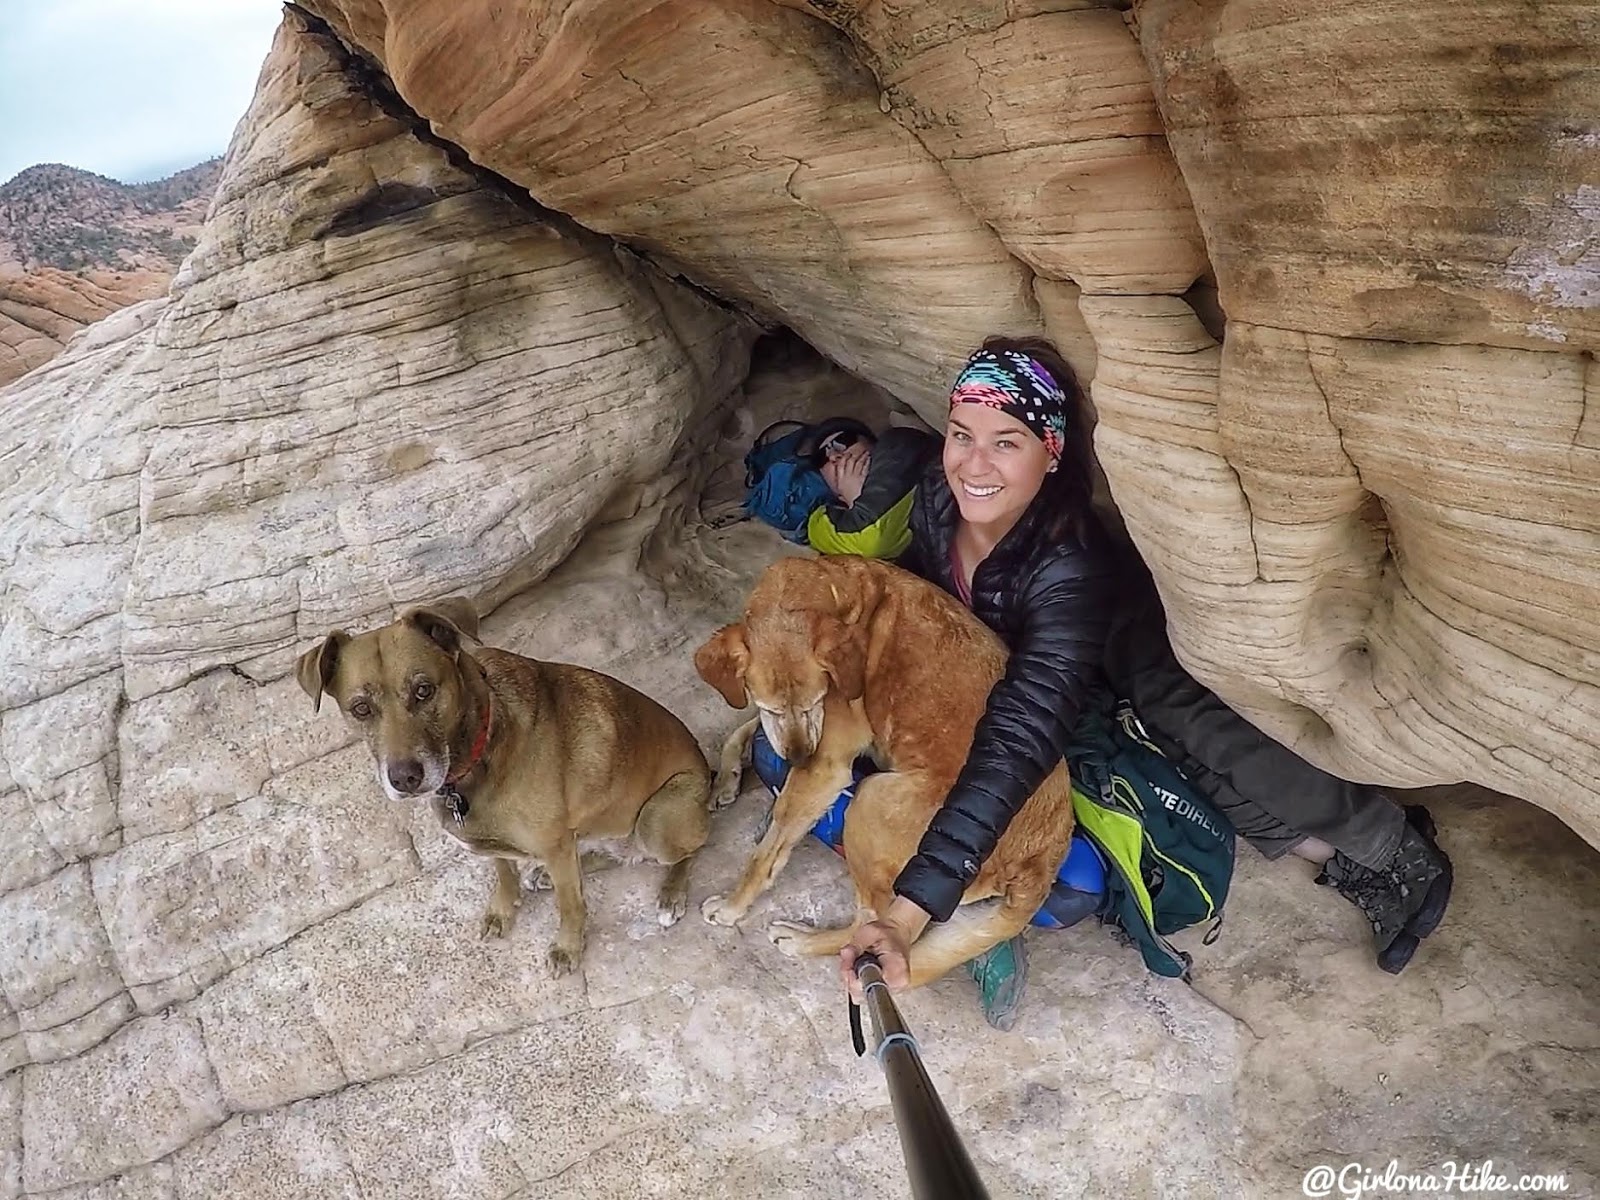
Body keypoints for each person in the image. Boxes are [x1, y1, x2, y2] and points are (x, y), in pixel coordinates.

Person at [829, 337, 1454, 1027]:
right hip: (1046, 668)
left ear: (1052, 452)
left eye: (1007, 443)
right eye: (962, 435)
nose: (973, 465)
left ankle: (1391, 846)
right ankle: (1335, 853)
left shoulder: (1069, 566)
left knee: (1194, 729)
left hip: (1121, 639)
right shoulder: (934, 497)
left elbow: (1019, 736)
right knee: (1159, 775)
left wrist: (914, 908)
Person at [797, 418, 939, 560]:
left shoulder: (900, 444)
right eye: (822, 458)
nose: (834, 456)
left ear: (871, 443)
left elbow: (874, 540)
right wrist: (856, 503)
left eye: (842, 441)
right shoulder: (820, 525)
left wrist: (857, 500)